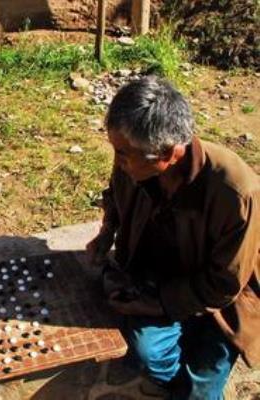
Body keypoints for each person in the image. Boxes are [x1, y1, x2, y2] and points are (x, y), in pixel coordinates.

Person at [87, 76, 259, 399]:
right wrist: (107, 232)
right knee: (146, 353)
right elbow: (115, 195)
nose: (118, 161)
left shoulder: (236, 195)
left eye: (124, 155)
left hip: (223, 302)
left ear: (169, 154)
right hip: (160, 276)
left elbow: (224, 284)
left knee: (199, 393)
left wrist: (158, 304)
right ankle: (178, 376)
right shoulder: (134, 156)